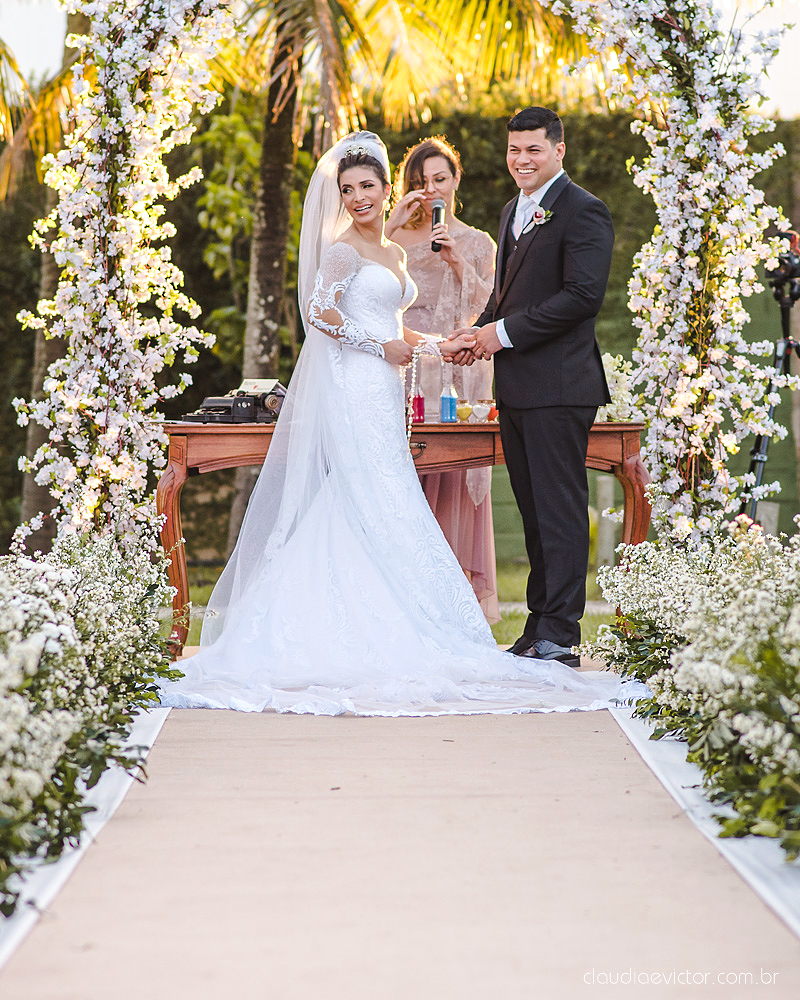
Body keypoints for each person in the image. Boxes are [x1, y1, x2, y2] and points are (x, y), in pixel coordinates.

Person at [159, 131, 618, 716]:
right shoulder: (342, 249)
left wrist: (442, 345)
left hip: (386, 391)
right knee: (366, 496)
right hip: (353, 387)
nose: (357, 197)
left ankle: (538, 629)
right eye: (347, 189)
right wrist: (380, 347)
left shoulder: (398, 253)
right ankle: (338, 628)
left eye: (367, 186)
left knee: (388, 497)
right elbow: (319, 316)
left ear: (384, 187)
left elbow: (400, 325)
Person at [452, 107, 614, 668]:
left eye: (533, 151)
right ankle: (537, 626)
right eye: (514, 150)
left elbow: (581, 298)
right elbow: (506, 293)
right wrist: (479, 334)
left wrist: (500, 334)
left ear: (559, 149)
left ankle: (562, 636)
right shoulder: (510, 211)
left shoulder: (584, 211)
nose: (522, 160)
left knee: (561, 509)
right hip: (517, 387)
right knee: (534, 511)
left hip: (562, 385)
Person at [384, 137, 499, 623]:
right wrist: (392, 224)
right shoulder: (393, 244)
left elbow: (491, 310)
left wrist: (457, 261)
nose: (430, 189)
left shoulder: (478, 243)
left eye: (439, 179)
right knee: (406, 478)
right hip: (405, 368)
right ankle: (402, 600)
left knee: (453, 477)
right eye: (420, 181)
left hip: (458, 375)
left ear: (455, 181)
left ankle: (454, 610)